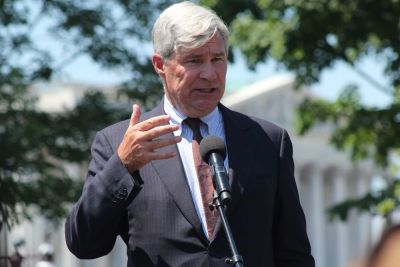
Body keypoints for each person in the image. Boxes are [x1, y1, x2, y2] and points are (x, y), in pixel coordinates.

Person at [65, 2, 315, 266]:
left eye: (217, 59)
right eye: (194, 60)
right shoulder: (118, 143)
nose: (209, 74)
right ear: (161, 65)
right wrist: (123, 166)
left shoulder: (268, 140)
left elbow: (293, 254)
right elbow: (84, 244)